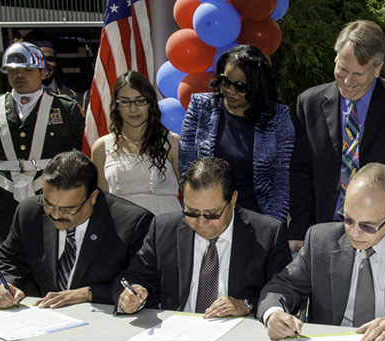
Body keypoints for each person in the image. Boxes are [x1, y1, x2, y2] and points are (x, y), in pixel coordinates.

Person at [258, 163, 385, 341]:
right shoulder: (321, 241)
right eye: (347, 219)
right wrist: (274, 313)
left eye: (367, 226)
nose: (354, 233)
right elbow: (280, 287)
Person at [288, 20, 385, 253]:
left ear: (377, 68)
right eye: (342, 69)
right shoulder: (309, 103)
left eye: (358, 74)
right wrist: (299, 231)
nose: (348, 81)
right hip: (326, 237)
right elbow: (302, 174)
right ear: (336, 58)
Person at [113, 156, 292, 317]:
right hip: (178, 333)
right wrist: (131, 296)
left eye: (212, 214)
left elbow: (282, 292)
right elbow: (134, 277)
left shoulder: (268, 235)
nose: (201, 222)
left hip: (237, 337)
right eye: (191, 212)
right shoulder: (163, 229)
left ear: (232, 200)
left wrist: (246, 305)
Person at [0, 150, 153, 309]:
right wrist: (1, 286)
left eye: (68, 208)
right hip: (48, 320)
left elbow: (142, 282)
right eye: (48, 203)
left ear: (93, 197)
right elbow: (5, 261)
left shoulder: (132, 223)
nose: (55, 215)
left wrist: (88, 293)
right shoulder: (29, 213)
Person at [0, 41, 85, 243]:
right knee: (9, 264)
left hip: (53, 199)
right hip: (6, 202)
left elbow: (84, 150)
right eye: (12, 70)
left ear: (43, 73)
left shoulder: (65, 108)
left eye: (28, 69)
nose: (19, 75)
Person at [179, 44, 294, 222]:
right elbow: (187, 166)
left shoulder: (277, 118)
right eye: (225, 81)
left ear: (257, 86)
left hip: (258, 219)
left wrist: (272, 227)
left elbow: (282, 181)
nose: (230, 90)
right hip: (208, 218)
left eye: (240, 86)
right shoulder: (201, 107)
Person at [91, 71, 182, 216]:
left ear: (150, 103)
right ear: (116, 105)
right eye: (125, 102)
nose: (133, 109)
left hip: (167, 228)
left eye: (140, 101)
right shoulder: (101, 148)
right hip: (121, 230)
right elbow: (102, 203)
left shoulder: (172, 142)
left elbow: (190, 195)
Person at [35, 40, 90, 110]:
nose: (46, 64)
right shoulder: (21, 93)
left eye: (50, 59)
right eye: (40, 60)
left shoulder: (72, 96)